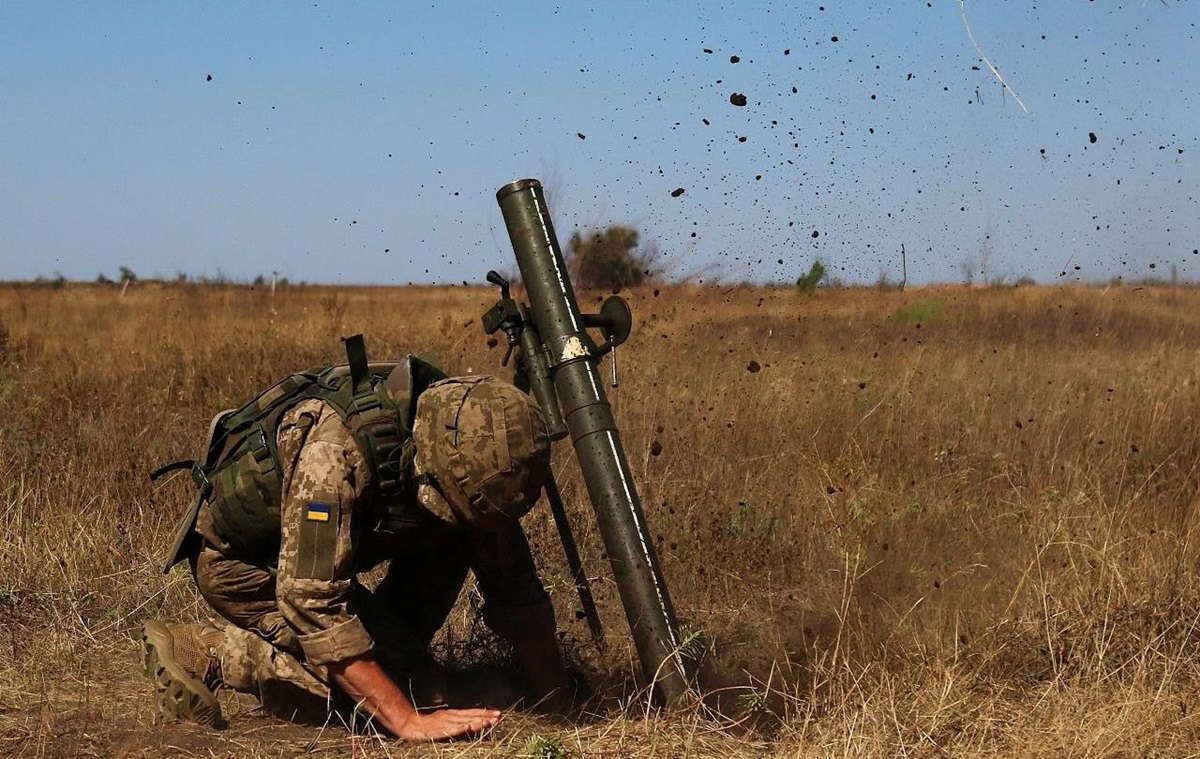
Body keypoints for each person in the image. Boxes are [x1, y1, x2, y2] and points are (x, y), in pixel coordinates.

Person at [140, 343, 572, 741]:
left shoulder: (468, 444)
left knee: (456, 543)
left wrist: (559, 700)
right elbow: (312, 604)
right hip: (245, 563)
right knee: (411, 691)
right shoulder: (332, 456)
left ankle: (392, 650)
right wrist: (408, 720)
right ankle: (213, 652)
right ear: (426, 464)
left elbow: (509, 576)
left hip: (327, 555)